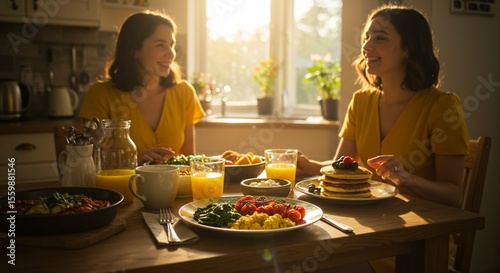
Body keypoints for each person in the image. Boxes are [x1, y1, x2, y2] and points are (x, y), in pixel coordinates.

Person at [297, 4, 469, 272]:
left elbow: (455, 196)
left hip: (414, 243)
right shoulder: (361, 101)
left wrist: (407, 178)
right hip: (363, 229)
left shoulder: (442, 107)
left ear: (408, 48)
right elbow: (342, 167)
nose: (366, 46)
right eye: (366, 37)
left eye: (380, 38)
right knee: (297, 251)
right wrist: (308, 165)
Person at [79, 11, 205, 165]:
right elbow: (91, 162)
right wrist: (134, 162)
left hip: (174, 187)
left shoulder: (184, 92)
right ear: (134, 50)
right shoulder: (100, 94)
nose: (171, 54)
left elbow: (189, 159)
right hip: (120, 189)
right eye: (160, 45)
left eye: (171, 45)